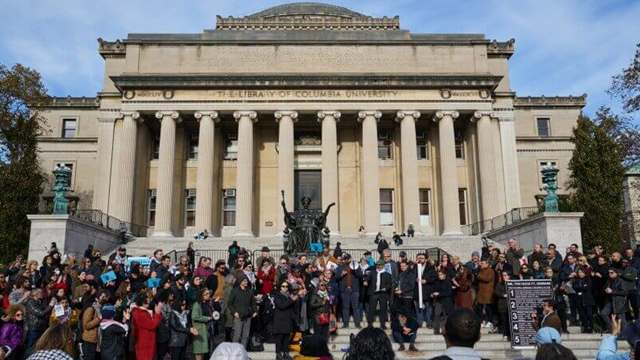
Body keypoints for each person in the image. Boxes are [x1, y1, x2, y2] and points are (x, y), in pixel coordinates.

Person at [131, 291, 163, 360]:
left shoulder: (144, 312)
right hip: (144, 344)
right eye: (147, 300)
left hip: (148, 343)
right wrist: (157, 314)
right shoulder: (139, 313)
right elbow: (151, 325)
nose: (149, 302)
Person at [228, 276, 257, 348]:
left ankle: (242, 352)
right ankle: (234, 351)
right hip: (238, 316)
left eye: (246, 281)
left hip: (248, 316)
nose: (246, 282)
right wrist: (234, 312)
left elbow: (253, 303)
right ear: (240, 282)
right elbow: (230, 303)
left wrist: (255, 311)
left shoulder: (249, 291)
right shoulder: (235, 291)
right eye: (244, 281)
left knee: (245, 336)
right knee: (237, 335)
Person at [273, 281, 298, 360]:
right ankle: (278, 354)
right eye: (283, 286)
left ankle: (286, 353)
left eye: (287, 286)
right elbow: (281, 306)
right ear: (280, 287)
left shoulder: (290, 296)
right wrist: (291, 300)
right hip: (279, 321)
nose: (285, 288)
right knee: (279, 338)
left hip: (288, 320)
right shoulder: (277, 295)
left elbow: (293, 308)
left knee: (286, 339)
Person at [364, 260, 392, 329]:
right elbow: (367, 279)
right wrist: (366, 281)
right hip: (373, 293)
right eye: (378, 265)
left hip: (383, 293)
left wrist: (385, 288)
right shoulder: (372, 273)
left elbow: (389, 284)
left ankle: (383, 324)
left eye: (380, 265)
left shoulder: (387, 274)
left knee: (383, 309)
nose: (379, 266)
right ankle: (370, 324)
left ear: (383, 266)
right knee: (371, 309)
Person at [191, 289, 212, 360]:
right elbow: (194, 316)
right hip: (199, 330)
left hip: (206, 330)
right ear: (202, 296)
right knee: (199, 351)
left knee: (203, 350)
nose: (208, 295)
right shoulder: (196, 304)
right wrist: (207, 318)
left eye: (208, 293)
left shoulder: (207, 303)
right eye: (206, 294)